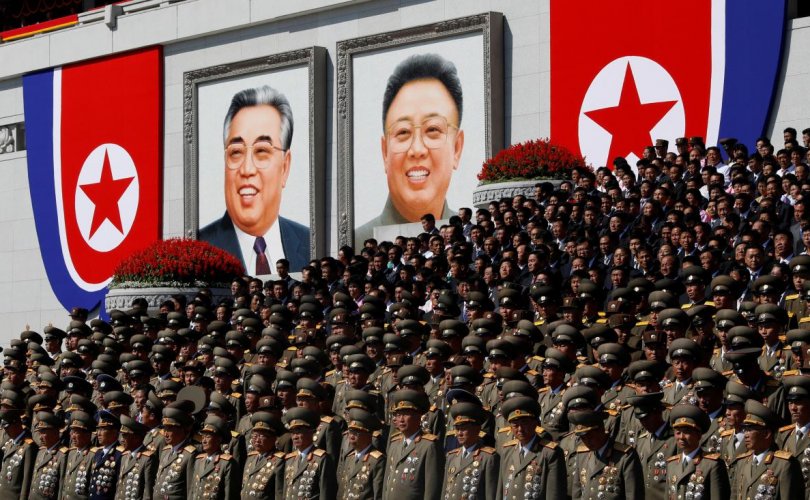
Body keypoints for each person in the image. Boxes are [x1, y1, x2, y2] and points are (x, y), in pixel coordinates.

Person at [355, 53, 465, 245]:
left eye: (432, 129)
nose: (417, 149)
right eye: (403, 132)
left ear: (457, 148)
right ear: (385, 153)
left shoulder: (470, 236)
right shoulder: (359, 242)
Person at [199, 85, 310, 274]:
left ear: (285, 167)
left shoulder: (308, 242)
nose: (247, 169)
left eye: (261, 151)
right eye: (236, 152)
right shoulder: (201, 247)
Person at [729, 400, 804, 499]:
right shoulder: (742, 462)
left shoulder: (784, 465)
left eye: (751, 429)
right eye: (745, 429)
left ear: (766, 434)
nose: (746, 435)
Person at [498, 396, 566, 499]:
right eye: (515, 425)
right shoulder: (507, 450)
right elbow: (501, 490)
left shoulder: (550, 452)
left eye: (524, 423)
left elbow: (554, 494)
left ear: (535, 424)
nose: (520, 429)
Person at [382, 389, 444, 500]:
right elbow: (387, 483)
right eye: (398, 414)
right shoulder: (394, 443)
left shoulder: (429, 446)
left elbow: (431, 490)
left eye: (406, 414)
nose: (401, 419)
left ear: (418, 416)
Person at [665, 404, 730, 500]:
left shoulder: (712, 465)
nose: (681, 437)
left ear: (699, 435)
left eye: (686, 432)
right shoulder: (671, 464)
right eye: (678, 433)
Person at [442, 402, 500, 500]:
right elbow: (445, 491)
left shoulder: (488, 457)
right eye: (457, 429)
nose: (459, 433)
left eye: (464, 429)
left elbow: (491, 494)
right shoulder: (451, 456)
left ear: (477, 429)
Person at [281, 406, 337, 500]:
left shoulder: (321, 459)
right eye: (293, 432)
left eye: (299, 432)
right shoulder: (289, 459)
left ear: (311, 432)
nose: (295, 437)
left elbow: (326, 493)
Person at [337, 408, 386, 500]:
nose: (351, 436)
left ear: (368, 435)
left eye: (356, 432)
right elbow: (341, 490)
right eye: (350, 431)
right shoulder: (349, 457)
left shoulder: (377, 460)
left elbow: (378, 494)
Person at [189, 416, 240, 499]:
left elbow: (229, 495)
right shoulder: (199, 460)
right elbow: (192, 491)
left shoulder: (226, 463)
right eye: (203, 436)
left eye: (208, 437)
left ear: (219, 439)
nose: (203, 441)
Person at [241, 411, 286, 499]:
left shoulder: (279, 460)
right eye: (254, 436)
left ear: (273, 439)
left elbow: (279, 494)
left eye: (262, 436)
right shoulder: (251, 457)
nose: (257, 440)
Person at [115, 415, 157, 500]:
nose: (122, 439)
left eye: (125, 436)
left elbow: (147, 492)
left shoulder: (147, 459)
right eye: (122, 435)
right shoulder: (124, 456)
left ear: (136, 438)